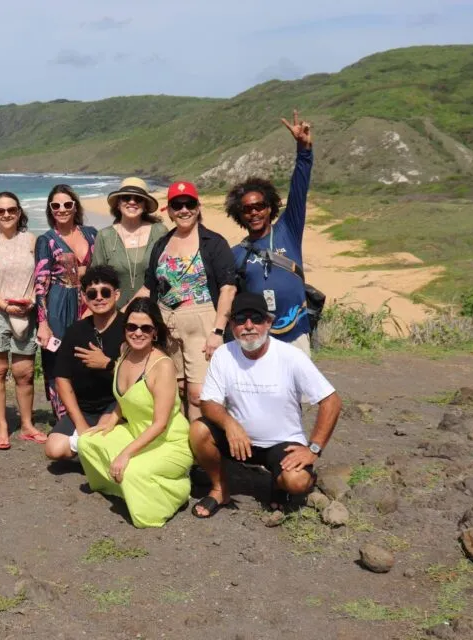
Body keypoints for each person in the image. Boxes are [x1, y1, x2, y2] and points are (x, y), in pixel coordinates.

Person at [189, 292, 342, 518]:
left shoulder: (291, 356)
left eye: (256, 319)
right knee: (198, 430)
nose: (248, 326)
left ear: (268, 322)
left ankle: (281, 483)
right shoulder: (224, 355)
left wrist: (314, 449)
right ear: (232, 325)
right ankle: (220, 488)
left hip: (282, 443)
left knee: (297, 482)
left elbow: (331, 401)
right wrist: (230, 424)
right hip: (239, 442)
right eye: (241, 319)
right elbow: (208, 402)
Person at [77, 298, 193, 528]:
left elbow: (160, 423)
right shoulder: (125, 351)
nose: (137, 333)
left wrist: (125, 453)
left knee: (130, 471)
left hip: (167, 442)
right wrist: (110, 422)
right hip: (136, 432)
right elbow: (126, 398)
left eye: (145, 328)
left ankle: (177, 491)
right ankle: (121, 489)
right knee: (87, 442)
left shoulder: (162, 366)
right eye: (131, 326)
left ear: (155, 332)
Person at [132, 181, 237, 420]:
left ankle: (202, 446)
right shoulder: (162, 244)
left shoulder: (214, 243)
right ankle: (180, 447)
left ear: (198, 207)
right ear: (168, 211)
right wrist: (122, 317)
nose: (183, 210)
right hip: (166, 324)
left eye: (189, 203)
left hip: (203, 324)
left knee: (198, 393)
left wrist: (218, 330)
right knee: (175, 389)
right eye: (177, 205)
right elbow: (149, 286)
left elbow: (228, 289)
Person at [225, 111, 314, 355]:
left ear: (270, 207)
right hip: (256, 339)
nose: (254, 212)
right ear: (239, 214)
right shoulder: (236, 254)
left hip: (295, 334)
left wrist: (304, 151)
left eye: (259, 206)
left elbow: (299, 190)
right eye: (247, 209)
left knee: (300, 394)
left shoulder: (288, 230)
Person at [0, 192, 45, 450]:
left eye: (11, 210)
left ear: (19, 212)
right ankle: (2, 425)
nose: (6, 214)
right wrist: (5, 305)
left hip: (26, 312)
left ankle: (27, 424)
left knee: (24, 372)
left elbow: (41, 277)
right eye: (0, 211)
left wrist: (33, 302)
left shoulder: (32, 240)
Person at [44, 265, 123, 461]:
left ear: (117, 295)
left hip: (116, 405)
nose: (99, 298)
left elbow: (139, 378)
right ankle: (93, 453)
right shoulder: (76, 331)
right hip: (84, 407)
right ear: (84, 298)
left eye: (105, 292)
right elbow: (62, 378)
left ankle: (99, 452)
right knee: (54, 449)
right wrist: (80, 423)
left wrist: (107, 364)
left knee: (103, 434)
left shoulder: (129, 329)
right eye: (92, 293)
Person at [35, 184, 98, 420]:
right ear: (50, 210)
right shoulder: (47, 240)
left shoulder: (92, 234)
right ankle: (63, 417)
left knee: (87, 357)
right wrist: (43, 323)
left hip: (90, 304)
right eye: (56, 205)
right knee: (58, 361)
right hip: (59, 305)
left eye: (67, 204)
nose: (62, 209)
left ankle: (88, 411)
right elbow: (40, 284)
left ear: (75, 206)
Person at [91, 178, 167, 310]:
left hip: (155, 312)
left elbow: (168, 274)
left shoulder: (159, 232)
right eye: (126, 198)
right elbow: (96, 280)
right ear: (118, 204)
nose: (132, 202)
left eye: (138, 199)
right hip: (116, 314)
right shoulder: (105, 236)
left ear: (145, 205)